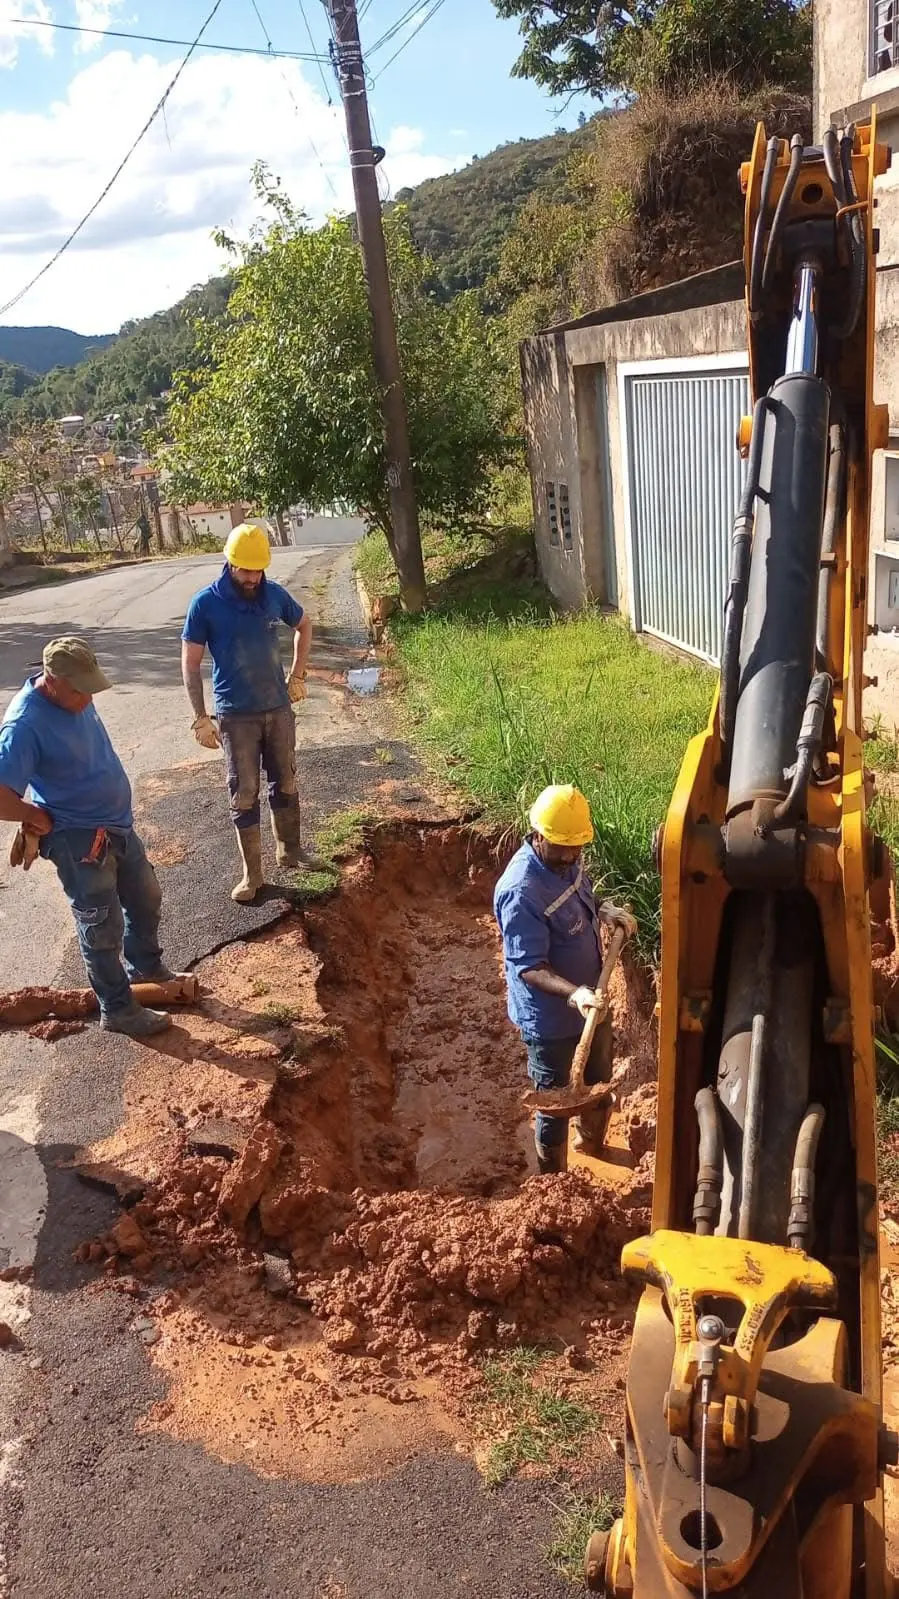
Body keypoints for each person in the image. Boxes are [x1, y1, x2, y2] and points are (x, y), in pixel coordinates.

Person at [0, 637, 175, 1038]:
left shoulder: (74, 695)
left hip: (117, 825)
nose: (88, 698)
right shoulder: (24, 725)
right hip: (77, 839)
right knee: (101, 925)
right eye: (80, 690)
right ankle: (118, 1009)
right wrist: (32, 815)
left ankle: (145, 968)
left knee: (146, 897)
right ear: (52, 680)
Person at [494, 784, 636, 1174]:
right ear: (539, 835)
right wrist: (575, 995)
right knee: (554, 1103)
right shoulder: (521, 892)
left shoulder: (566, 856)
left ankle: (592, 1143)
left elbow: (576, 895)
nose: (571, 856)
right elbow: (529, 966)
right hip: (551, 1020)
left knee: (598, 1083)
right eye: (562, 848)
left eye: (577, 848)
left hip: (593, 1002)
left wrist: (603, 910)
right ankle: (554, 1181)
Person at [181, 522, 318, 904]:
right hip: (236, 716)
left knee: (286, 781)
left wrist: (298, 675)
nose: (253, 578)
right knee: (244, 793)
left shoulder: (273, 595)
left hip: (278, 708)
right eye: (246, 570)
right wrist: (200, 717)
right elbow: (190, 663)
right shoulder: (205, 604)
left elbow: (304, 625)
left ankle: (290, 851)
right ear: (230, 563)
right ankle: (253, 875)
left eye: (259, 570)